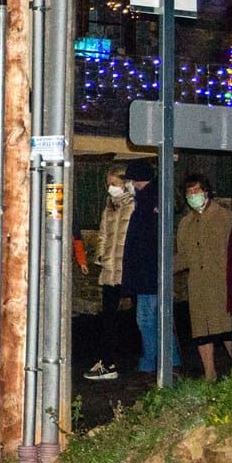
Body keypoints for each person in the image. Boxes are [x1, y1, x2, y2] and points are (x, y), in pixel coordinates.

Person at [119, 159, 180, 376]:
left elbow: (142, 243)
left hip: (148, 273)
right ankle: (168, 362)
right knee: (159, 318)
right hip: (151, 272)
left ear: (137, 180)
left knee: (148, 319)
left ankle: (152, 364)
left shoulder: (146, 202)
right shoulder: (153, 200)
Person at [175, 174, 232, 380]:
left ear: (206, 192)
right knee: (201, 331)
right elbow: (183, 256)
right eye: (189, 192)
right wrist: (164, 268)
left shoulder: (225, 217)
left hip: (221, 283)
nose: (193, 195)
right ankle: (210, 373)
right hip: (197, 284)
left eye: (196, 190)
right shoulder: (185, 223)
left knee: (226, 328)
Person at [84, 163, 133, 381]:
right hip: (110, 269)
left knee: (140, 316)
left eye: (113, 183)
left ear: (125, 182)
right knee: (108, 317)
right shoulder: (110, 207)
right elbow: (103, 235)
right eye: (108, 184)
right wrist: (101, 257)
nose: (109, 188)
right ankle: (107, 361)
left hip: (128, 268)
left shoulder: (133, 206)